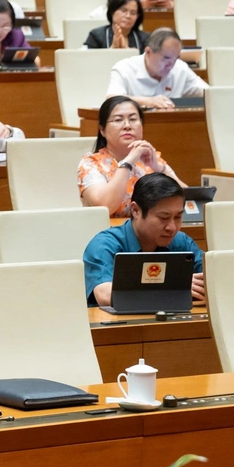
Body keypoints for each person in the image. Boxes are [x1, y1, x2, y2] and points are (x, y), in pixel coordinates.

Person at [81, 173, 205, 308]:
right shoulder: (104, 245)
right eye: (164, 217)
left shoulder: (181, 242)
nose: (172, 227)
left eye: (178, 217)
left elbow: (214, 280)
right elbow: (105, 295)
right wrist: (172, 288)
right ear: (135, 210)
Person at [78, 95, 184, 217]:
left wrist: (159, 168)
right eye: (118, 120)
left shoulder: (151, 158)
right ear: (102, 130)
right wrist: (127, 163)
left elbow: (187, 200)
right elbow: (106, 206)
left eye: (133, 119)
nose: (127, 125)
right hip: (110, 233)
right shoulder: (91, 164)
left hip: (154, 232)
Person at [106, 28, 206, 108]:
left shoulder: (180, 68)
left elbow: (210, 94)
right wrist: (148, 101)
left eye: (175, 59)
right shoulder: (124, 68)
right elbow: (112, 99)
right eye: (166, 58)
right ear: (148, 52)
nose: (171, 65)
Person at [85, 0, 149, 50]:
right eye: (124, 11)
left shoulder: (145, 38)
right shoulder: (96, 35)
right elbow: (89, 58)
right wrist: (112, 49)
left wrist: (127, 50)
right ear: (112, 11)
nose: (128, 16)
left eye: (133, 13)